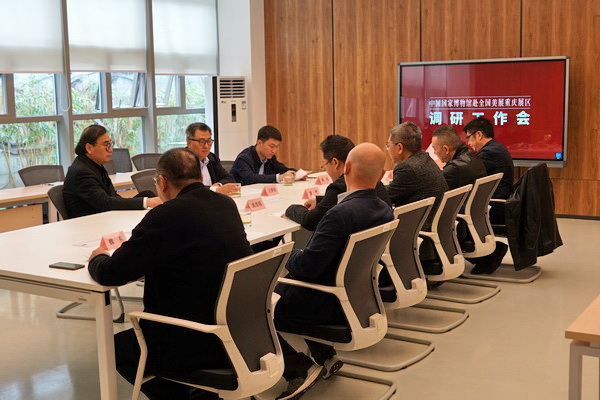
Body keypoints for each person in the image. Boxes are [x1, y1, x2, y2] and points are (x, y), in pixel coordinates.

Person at [87, 148, 253, 400]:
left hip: (194, 340)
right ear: (200, 176)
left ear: (162, 182)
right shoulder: (225, 204)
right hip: (238, 331)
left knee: (115, 349)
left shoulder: (165, 215)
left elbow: (111, 274)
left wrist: (98, 258)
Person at [274, 143, 394, 400]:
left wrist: (284, 253)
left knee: (254, 305)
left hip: (325, 304)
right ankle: (325, 356)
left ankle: (298, 368)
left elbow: (307, 268)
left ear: (346, 168)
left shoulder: (339, 215)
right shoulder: (384, 209)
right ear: (382, 174)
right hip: (358, 299)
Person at [285, 135, 392, 231]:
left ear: (335, 162)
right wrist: (320, 200)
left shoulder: (338, 187)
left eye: (325, 164)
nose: (325, 169)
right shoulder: (373, 181)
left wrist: (291, 209)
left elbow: (310, 221)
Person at [63, 124, 162, 218]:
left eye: (110, 144)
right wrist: (147, 202)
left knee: (147, 194)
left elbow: (113, 197)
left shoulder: (94, 165)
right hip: (90, 222)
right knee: (148, 201)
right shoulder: (81, 172)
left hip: (106, 216)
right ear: (89, 148)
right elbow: (105, 203)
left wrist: (145, 201)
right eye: (106, 145)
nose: (110, 149)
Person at [463, 116, 514, 274]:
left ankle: (488, 256)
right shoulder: (495, 148)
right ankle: (486, 256)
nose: (469, 143)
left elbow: (467, 172)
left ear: (479, 135)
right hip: (499, 202)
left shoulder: (489, 153)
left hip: (496, 206)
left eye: (469, 138)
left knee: (454, 218)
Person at [385, 122, 448, 230]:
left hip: (417, 229)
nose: (388, 150)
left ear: (399, 147)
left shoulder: (407, 168)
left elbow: (386, 198)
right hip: (437, 225)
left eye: (388, 146)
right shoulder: (425, 158)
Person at [230, 125, 299, 185]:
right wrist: (279, 177)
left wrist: (298, 174)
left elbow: (283, 170)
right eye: (271, 146)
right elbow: (250, 178)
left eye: (277, 147)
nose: (274, 151)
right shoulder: (243, 158)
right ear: (259, 143)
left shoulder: (270, 158)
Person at [185, 122, 238, 195]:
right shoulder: (181, 160)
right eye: (201, 141)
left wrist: (218, 185)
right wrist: (214, 189)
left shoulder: (212, 158)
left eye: (209, 141)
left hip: (212, 199)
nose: (206, 146)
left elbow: (229, 178)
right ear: (189, 143)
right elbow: (188, 187)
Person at [431, 125, 487, 190]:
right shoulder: (472, 155)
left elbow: (433, 189)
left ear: (446, 149)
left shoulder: (454, 169)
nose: (434, 153)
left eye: (435, 149)